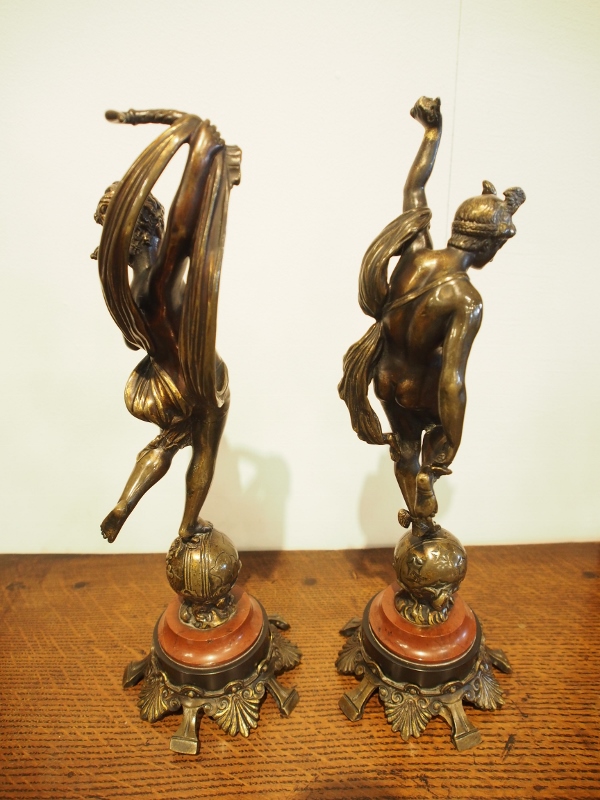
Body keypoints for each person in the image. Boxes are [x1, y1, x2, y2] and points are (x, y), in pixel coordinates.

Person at [339, 96, 525, 534]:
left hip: (385, 377)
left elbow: (414, 191)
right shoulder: (466, 300)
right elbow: (452, 381)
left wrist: (431, 134)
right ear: (488, 245)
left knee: (404, 449)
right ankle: (427, 483)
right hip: (423, 388)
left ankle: (419, 521)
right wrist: (447, 448)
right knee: (431, 441)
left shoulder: (416, 252)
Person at [91, 109, 241, 543]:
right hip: (201, 376)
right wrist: (202, 158)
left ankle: (125, 503)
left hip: (162, 382)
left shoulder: (128, 290)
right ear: (149, 223)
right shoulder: (157, 281)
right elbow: (183, 228)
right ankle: (188, 524)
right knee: (204, 447)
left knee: (168, 442)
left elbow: (131, 340)